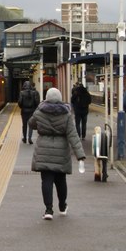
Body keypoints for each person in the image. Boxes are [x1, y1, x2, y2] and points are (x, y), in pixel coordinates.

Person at [29, 87, 86, 220]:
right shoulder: (66, 114)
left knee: (46, 181)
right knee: (61, 181)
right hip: (61, 151)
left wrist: (39, 116)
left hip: (44, 150)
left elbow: (31, 124)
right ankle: (62, 205)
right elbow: (73, 135)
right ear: (60, 98)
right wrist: (80, 155)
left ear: (47, 98)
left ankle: (48, 210)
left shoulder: (40, 111)